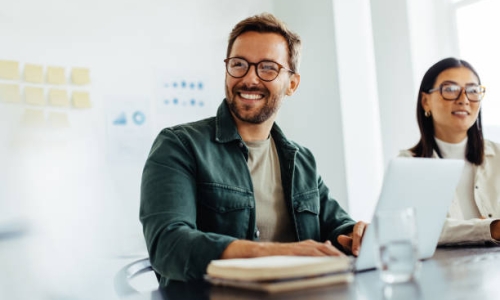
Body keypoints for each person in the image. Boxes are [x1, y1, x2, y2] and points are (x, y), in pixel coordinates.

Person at [140, 13, 367, 284]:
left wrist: (357, 234)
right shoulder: (179, 145)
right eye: (239, 65)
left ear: (292, 84)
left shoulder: (301, 159)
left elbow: (335, 226)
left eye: (268, 68)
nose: (250, 79)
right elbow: (168, 245)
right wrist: (276, 253)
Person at [400, 57, 500, 245]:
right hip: (444, 271)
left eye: (472, 91)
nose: (463, 100)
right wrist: (490, 228)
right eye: (450, 90)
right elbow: (419, 229)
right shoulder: (407, 165)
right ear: (425, 101)